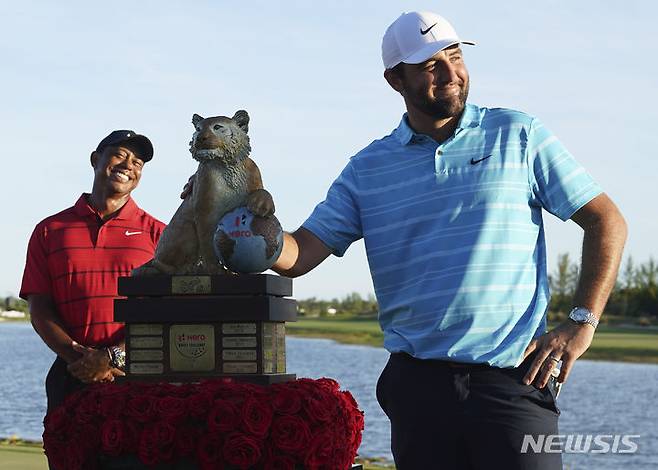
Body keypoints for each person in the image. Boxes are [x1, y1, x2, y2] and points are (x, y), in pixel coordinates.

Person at [272, 11, 627, 470]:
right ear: (395, 80)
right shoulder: (367, 168)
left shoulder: (518, 134)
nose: (450, 73)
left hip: (512, 382)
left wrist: (582, 322)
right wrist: (241, 222)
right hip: (418, 391)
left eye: (455, 56)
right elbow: (298, 254)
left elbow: (607, 221)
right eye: (429, 65)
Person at [20, 130, 165, 416]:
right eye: (120, 155)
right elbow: (40, 310)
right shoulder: (49, 230)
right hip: (71, 374)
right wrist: (85, 361)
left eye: (137, 162)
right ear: (96, 160)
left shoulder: (160, 235)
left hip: (137, 376)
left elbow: (167, 314)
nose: (128, 165)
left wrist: (112, 357)